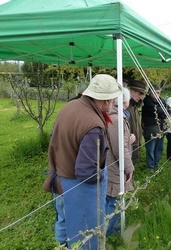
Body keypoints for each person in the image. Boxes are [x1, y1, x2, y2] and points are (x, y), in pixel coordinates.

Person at [48, 74, 122, 248]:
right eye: (112, 100)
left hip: (59, 174)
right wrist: (102, 177)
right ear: (105, 101)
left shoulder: (70, 106)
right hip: (78, 187)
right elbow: (86, 172)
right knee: (86, 235)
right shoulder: (93, 125)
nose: (113, 104)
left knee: (67, 224)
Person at [106, 87, 135, 236]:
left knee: (113, 198)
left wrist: (129, 138)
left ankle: (112, 228)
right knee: (114, 200)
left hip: (112, 164)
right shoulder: (117, 119)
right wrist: (129, 168)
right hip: (115, 167)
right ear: (126, 101)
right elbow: (119, 148)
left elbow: (120, 141)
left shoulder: (118, 117)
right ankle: (108, 233)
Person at [141, 84, 170, 173]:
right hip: (150, 127)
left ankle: (156, 162)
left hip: (161, 127)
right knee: (151, 147)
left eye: (159, 92)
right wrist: (163, 111)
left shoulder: (161, 100)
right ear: (150, 92)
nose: (157, 94)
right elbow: (157, 110)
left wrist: (163, 111)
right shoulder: (147, 101)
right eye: (155, 92)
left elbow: (168, 110)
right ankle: (150, 166)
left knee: (159, 147)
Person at [126, 79, 147, 164]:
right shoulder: (126, 107)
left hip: (135, 146)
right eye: (139, 93)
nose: (141, 97)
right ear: (131, 91)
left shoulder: (134, 107)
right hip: (128, 147)